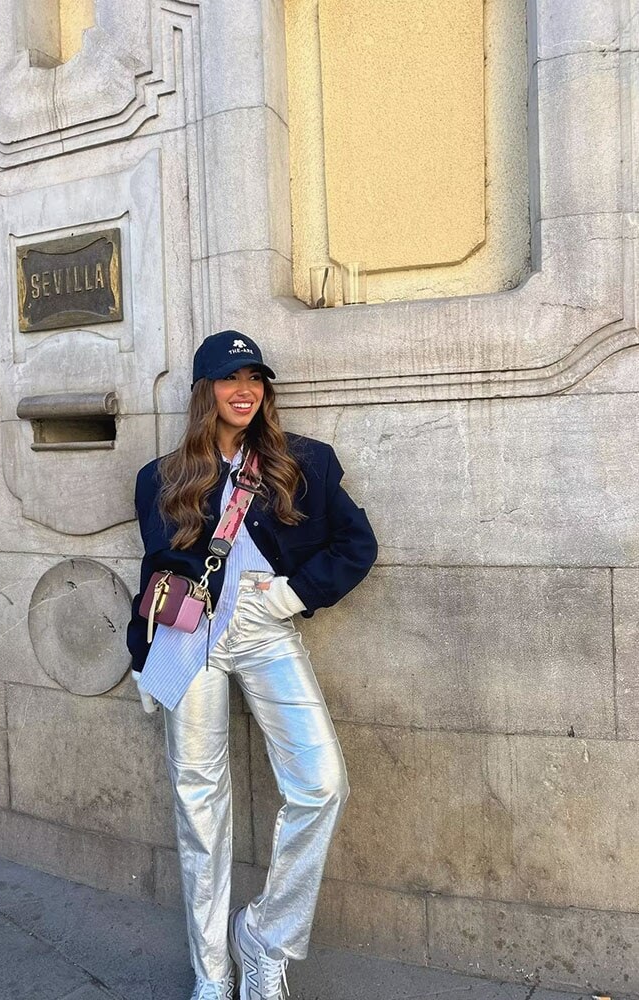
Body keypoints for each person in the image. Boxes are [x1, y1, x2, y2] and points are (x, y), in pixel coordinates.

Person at [126, 330, 378, 1000]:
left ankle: (264, 937)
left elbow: (358, 544)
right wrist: (141, 656)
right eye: (229, 378)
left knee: (321, 783)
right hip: (190, 640)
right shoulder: (162, 477)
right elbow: (156, 573)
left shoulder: (303, 462)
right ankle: (211, 973)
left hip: (266, 629)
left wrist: (292, 595)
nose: (244, 391)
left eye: (255, 378)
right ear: (205, 391)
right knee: (199, 804)